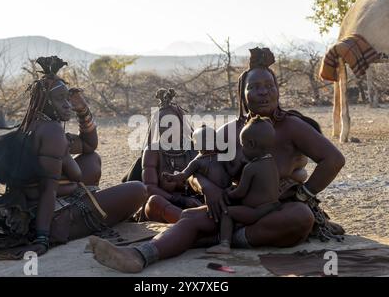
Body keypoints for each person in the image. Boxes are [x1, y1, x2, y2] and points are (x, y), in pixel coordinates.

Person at [88, 47, 346, 273]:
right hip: (232, 209)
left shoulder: (291, 126)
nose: (264, 93)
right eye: (255, 87)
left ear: (278, 90)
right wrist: (208, 187)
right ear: (242, 94)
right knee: (190, 218)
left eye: (270, 86)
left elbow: (333, 160)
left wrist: (304, 193)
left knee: (300, 217)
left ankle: (222, 239)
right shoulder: (228, 132)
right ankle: (139, 256)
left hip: (275, 209)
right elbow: (198, 169)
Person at [0, 56, 147, 257]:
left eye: (67, 99)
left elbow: (89, 145)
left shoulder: (36, 125)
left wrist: (83, 110)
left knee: (93, 159)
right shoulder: (52, 133)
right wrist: (42, 238)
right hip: (52, 215)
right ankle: (65, 227)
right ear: (45, 102)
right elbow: (49, 189)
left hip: (46, 200)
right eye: (60, 99)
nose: (67, 105)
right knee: (138, 190)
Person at [206, 116, 280, 254]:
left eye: (243, 145)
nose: (242, 149)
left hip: (255, 211)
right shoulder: (271, 162)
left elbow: (240, 193)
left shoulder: (250, 168)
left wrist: (228, 193)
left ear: (251, 144)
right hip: (272, 206)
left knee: (227, 212)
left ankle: (224, 244)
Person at [137, 88, 202, 223]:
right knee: (155, 201)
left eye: (172, 124)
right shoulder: (152, 151)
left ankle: (194, 223)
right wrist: (180, 200)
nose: (167, 129)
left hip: (195, 203)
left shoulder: (194, 148)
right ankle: (192, 224)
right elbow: (149, 188)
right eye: (163, 125)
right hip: (166, 206)